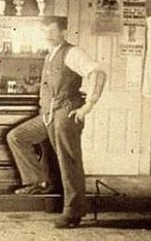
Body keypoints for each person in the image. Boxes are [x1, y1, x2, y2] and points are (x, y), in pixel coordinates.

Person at [7, 16, 106, 229]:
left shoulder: (72, 52)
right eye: (44, 31)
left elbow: (97, 73)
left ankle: (74, 212)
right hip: (49, 114)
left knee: (68, 160)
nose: (47, 35)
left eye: (51, 30)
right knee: (17, 137)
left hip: (66, 114)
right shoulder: (50, 55)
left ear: (63, 32)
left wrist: (88, 106)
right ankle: (38, 181)